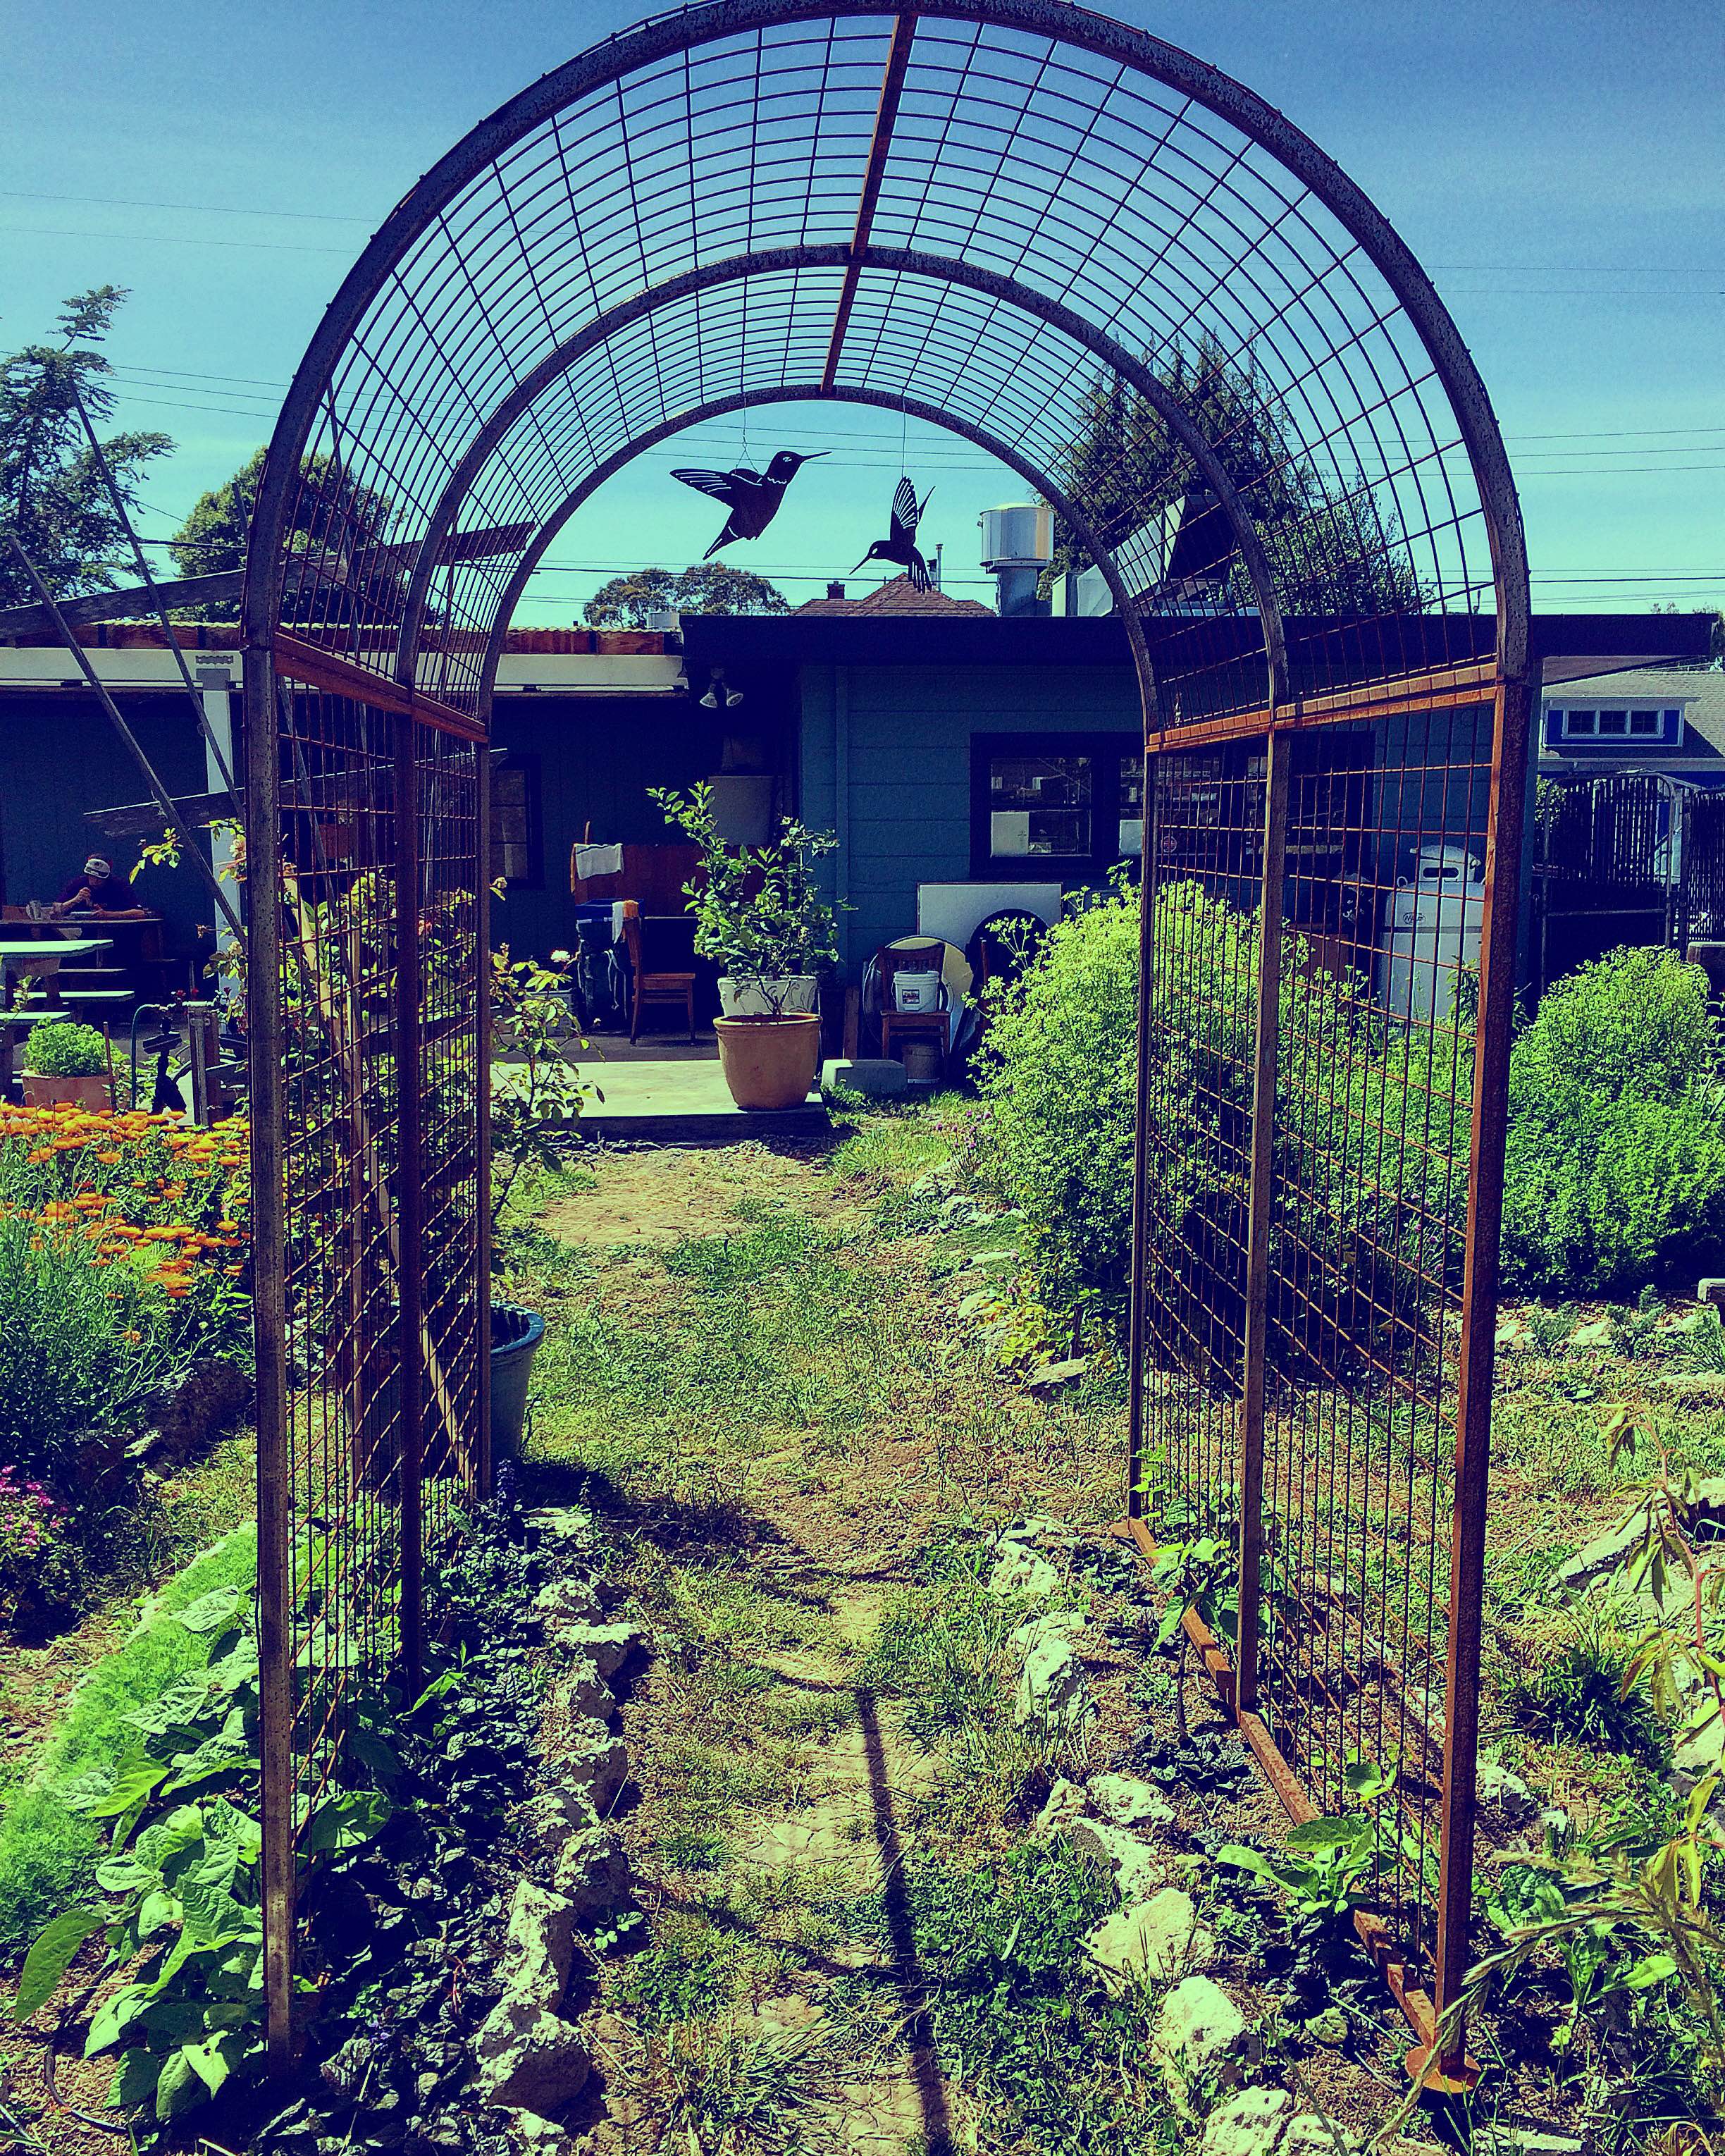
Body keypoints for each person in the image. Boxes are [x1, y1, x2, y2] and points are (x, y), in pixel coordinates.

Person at [49, 856, 138, 918]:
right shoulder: (79, 884)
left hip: (118, 932)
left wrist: (108, 914)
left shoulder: (119, 885)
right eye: (92, 877)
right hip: (88, 933)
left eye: (100, 878)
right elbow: (54, 913)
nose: (95, 881)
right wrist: (75, 900)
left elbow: (140, 913)